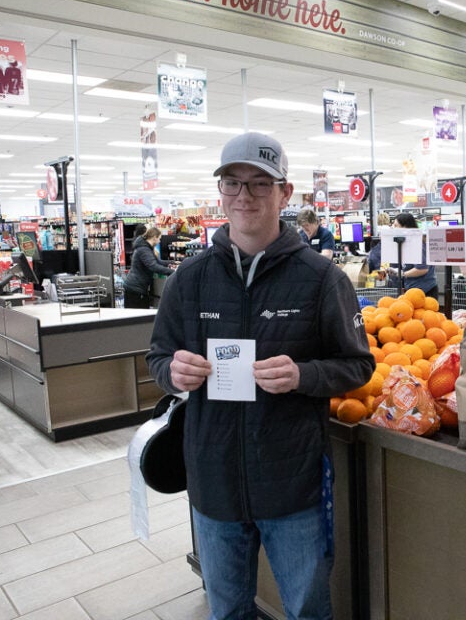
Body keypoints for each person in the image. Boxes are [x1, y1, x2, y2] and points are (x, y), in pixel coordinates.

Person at [145, 132, 375, 620]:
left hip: (292, 483)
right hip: (212, 481)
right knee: (226, 611)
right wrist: (174, 372)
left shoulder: (321, 278)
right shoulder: (189, 278)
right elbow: (159, 357)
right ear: (221, 192)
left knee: (307, 610)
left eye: (259, 184)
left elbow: (359, 365)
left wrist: (303, 374)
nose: (244, 197)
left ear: (284, 193)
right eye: (233, 184)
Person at [370, 212, 438, 298]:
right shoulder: (406, 243)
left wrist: (402, 274)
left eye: (395, 225)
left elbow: (422, 269)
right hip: (412, 290)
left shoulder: (417, 243)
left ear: (405, 227)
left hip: (424, 291)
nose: (392, 228)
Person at [124, 226, 174, 308]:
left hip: (136, 287)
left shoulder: (146, 247)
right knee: (137, 317)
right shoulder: (144, 249)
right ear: (154, 237)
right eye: (159, 238)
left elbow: (157, 261)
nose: (159, 241)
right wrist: (173, 272)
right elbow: (153, 266)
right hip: (135, 289)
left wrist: (172, 263)